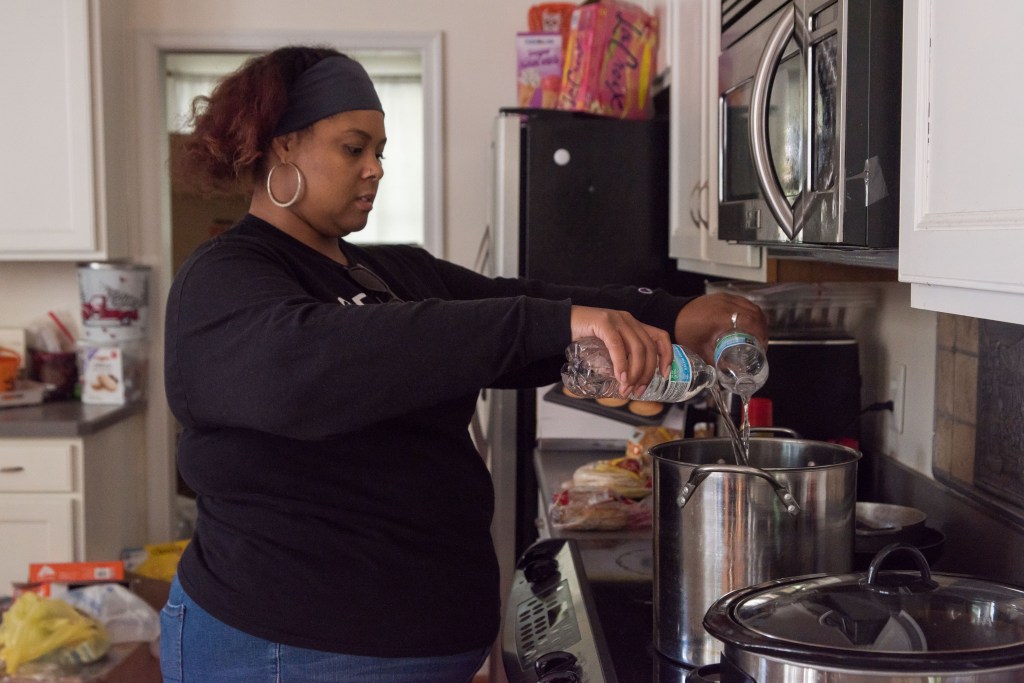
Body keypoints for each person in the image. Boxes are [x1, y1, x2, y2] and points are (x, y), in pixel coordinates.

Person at [161, 45, 767, 683]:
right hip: (287, 650)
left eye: (380, 152)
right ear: (282, 148)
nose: (374, 170)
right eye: (353, 148)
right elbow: (305, 365)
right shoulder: (225, 276)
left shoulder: (389, 270)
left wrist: (676, 316)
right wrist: (552, 322)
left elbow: (520, 305)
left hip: (415, 646)